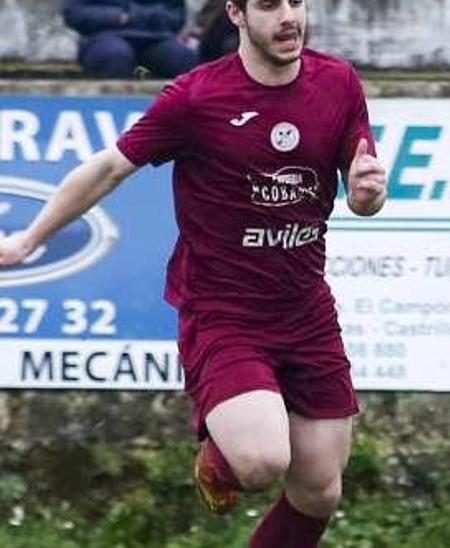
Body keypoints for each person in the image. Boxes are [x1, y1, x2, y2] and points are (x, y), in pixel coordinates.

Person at [0, 1, 387, 546]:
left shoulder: (338, 82)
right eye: (269, 4)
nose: (288, 18)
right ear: (235, 12)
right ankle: (220, 458)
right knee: (261, 462)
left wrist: (370, 194)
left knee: (320, 491)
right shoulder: (198, 97)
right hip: (224, 311)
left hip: (306, 310)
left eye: (297, 1)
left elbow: (363, 188)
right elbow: (109, 168)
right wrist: (26, 240)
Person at [63, 0, 199, 78]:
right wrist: (116, 17)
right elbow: (75, 13)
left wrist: (136, 17)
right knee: (115, 55)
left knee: (182, 58)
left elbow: (176, 17)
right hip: (103, 35)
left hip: (154, 36)